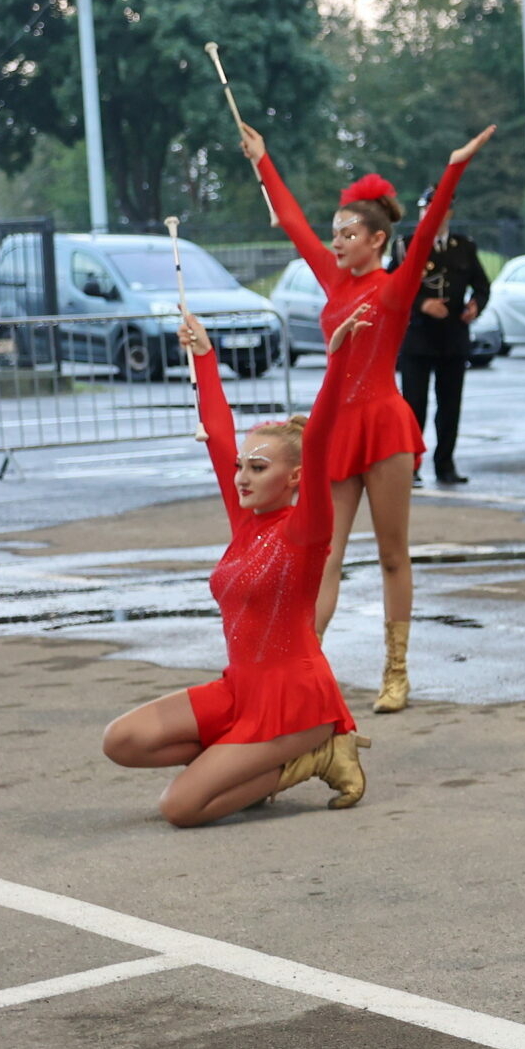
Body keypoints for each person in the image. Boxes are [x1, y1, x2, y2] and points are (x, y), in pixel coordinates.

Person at [245, 119, 495, 713]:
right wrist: (262, 160)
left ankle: (396, 671)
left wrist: (454, 166)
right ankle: (300, 667)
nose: (335, 242)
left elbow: (427, 231)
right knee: (323, 554)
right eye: (335, 232)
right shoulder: (331, 279)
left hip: (384, 428)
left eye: (348, 233)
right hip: (336, 430)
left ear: (377, 240)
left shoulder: (394, 287)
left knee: (390, 554)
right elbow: (292, 222)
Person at [101, 306, 376, 823]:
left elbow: (318, 441)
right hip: (239, 690)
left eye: (258, 467)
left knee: (181, 808)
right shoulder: (246, 517)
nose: (242, 477)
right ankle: (241, 763)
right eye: (240, 466)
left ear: (295, 478)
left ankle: (316, 754)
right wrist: (204, 356)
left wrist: (337, 361)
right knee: (122, 740)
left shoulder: (306, 530)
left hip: (296, 702)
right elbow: (217, 430)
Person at [396, 192, 492, 487]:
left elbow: (482, 285)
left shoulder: (463, 246)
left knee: (450, 406)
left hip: (452, 337)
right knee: (414, 405)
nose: (430, 214)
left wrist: (476, 305)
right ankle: (411, 465)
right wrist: (422, 304)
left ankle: (445, 464)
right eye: (425, 209)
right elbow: (393, 285)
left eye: (437, 209)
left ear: (449, 212)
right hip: (418, 339)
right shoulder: (407, 245)